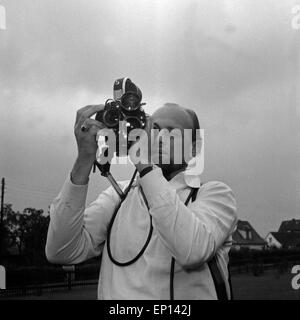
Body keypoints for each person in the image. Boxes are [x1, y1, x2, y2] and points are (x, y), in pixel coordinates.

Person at [45, 102, 237, 300]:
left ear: (194, 147)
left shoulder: (215, 194)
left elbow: (192, 251)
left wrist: (145, 166)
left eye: (172, 133)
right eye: (153, 130)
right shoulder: (119, 195)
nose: (160, 138)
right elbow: (61, 251)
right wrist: (84, 159)